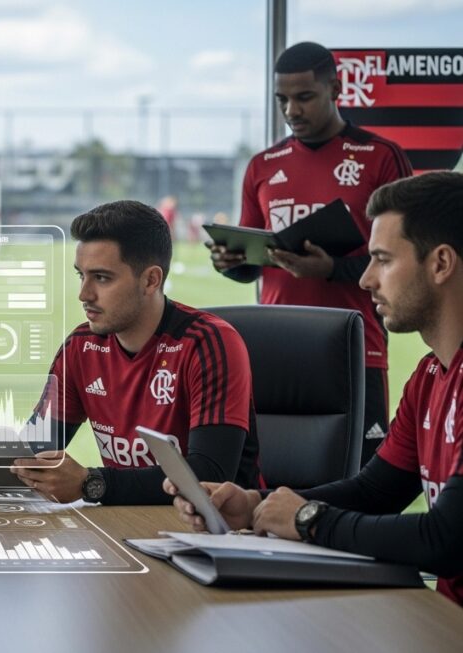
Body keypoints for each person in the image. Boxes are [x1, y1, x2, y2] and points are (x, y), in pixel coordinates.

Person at [170, 172, 463, 606]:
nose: (365, 280)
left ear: (440, 263)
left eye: (381, 259)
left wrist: (308, 519)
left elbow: (447, 539)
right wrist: (254, 505)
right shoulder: (429, 375)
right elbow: (375, 492)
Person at [0, 200, 261, 505]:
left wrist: (92, 483)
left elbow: (210, 476)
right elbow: (34, 451)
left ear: (151, 280)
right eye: (81, 275)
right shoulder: (80, 348)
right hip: (126, 530)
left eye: (101, 278)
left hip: (221, 538)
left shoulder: (208, 343)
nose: (84, 294)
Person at [208, 42, 413, 469]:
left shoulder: (380, 157)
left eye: (304, 97)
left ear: (335, 88)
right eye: (282, 100)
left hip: (357, 347)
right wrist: (233, 263)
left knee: (361, 481)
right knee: (270, 477)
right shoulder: (264, 165)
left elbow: (406, 256)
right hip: (276, 348)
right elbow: (253, 262)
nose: (291, 111)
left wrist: (333, 269)